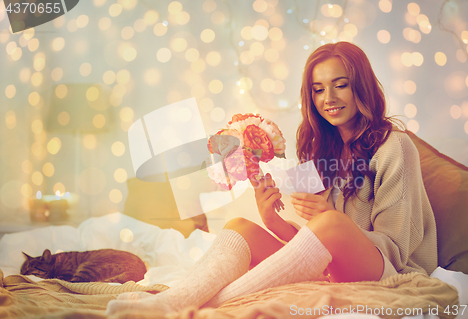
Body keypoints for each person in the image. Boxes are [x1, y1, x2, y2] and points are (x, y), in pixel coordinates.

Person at [106, 41, 438, 315]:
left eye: (341, 85)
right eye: (318, 89)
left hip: (385, 269)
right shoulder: (323, 150)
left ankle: (177, 305)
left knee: (332, 223)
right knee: (239, 226)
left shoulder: (396, 146)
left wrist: (330, 220)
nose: (329, 99)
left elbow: (395, 247)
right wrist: (271, 219)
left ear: (361, 87)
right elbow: (309, 245)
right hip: (334, 265)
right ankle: (180, 296)